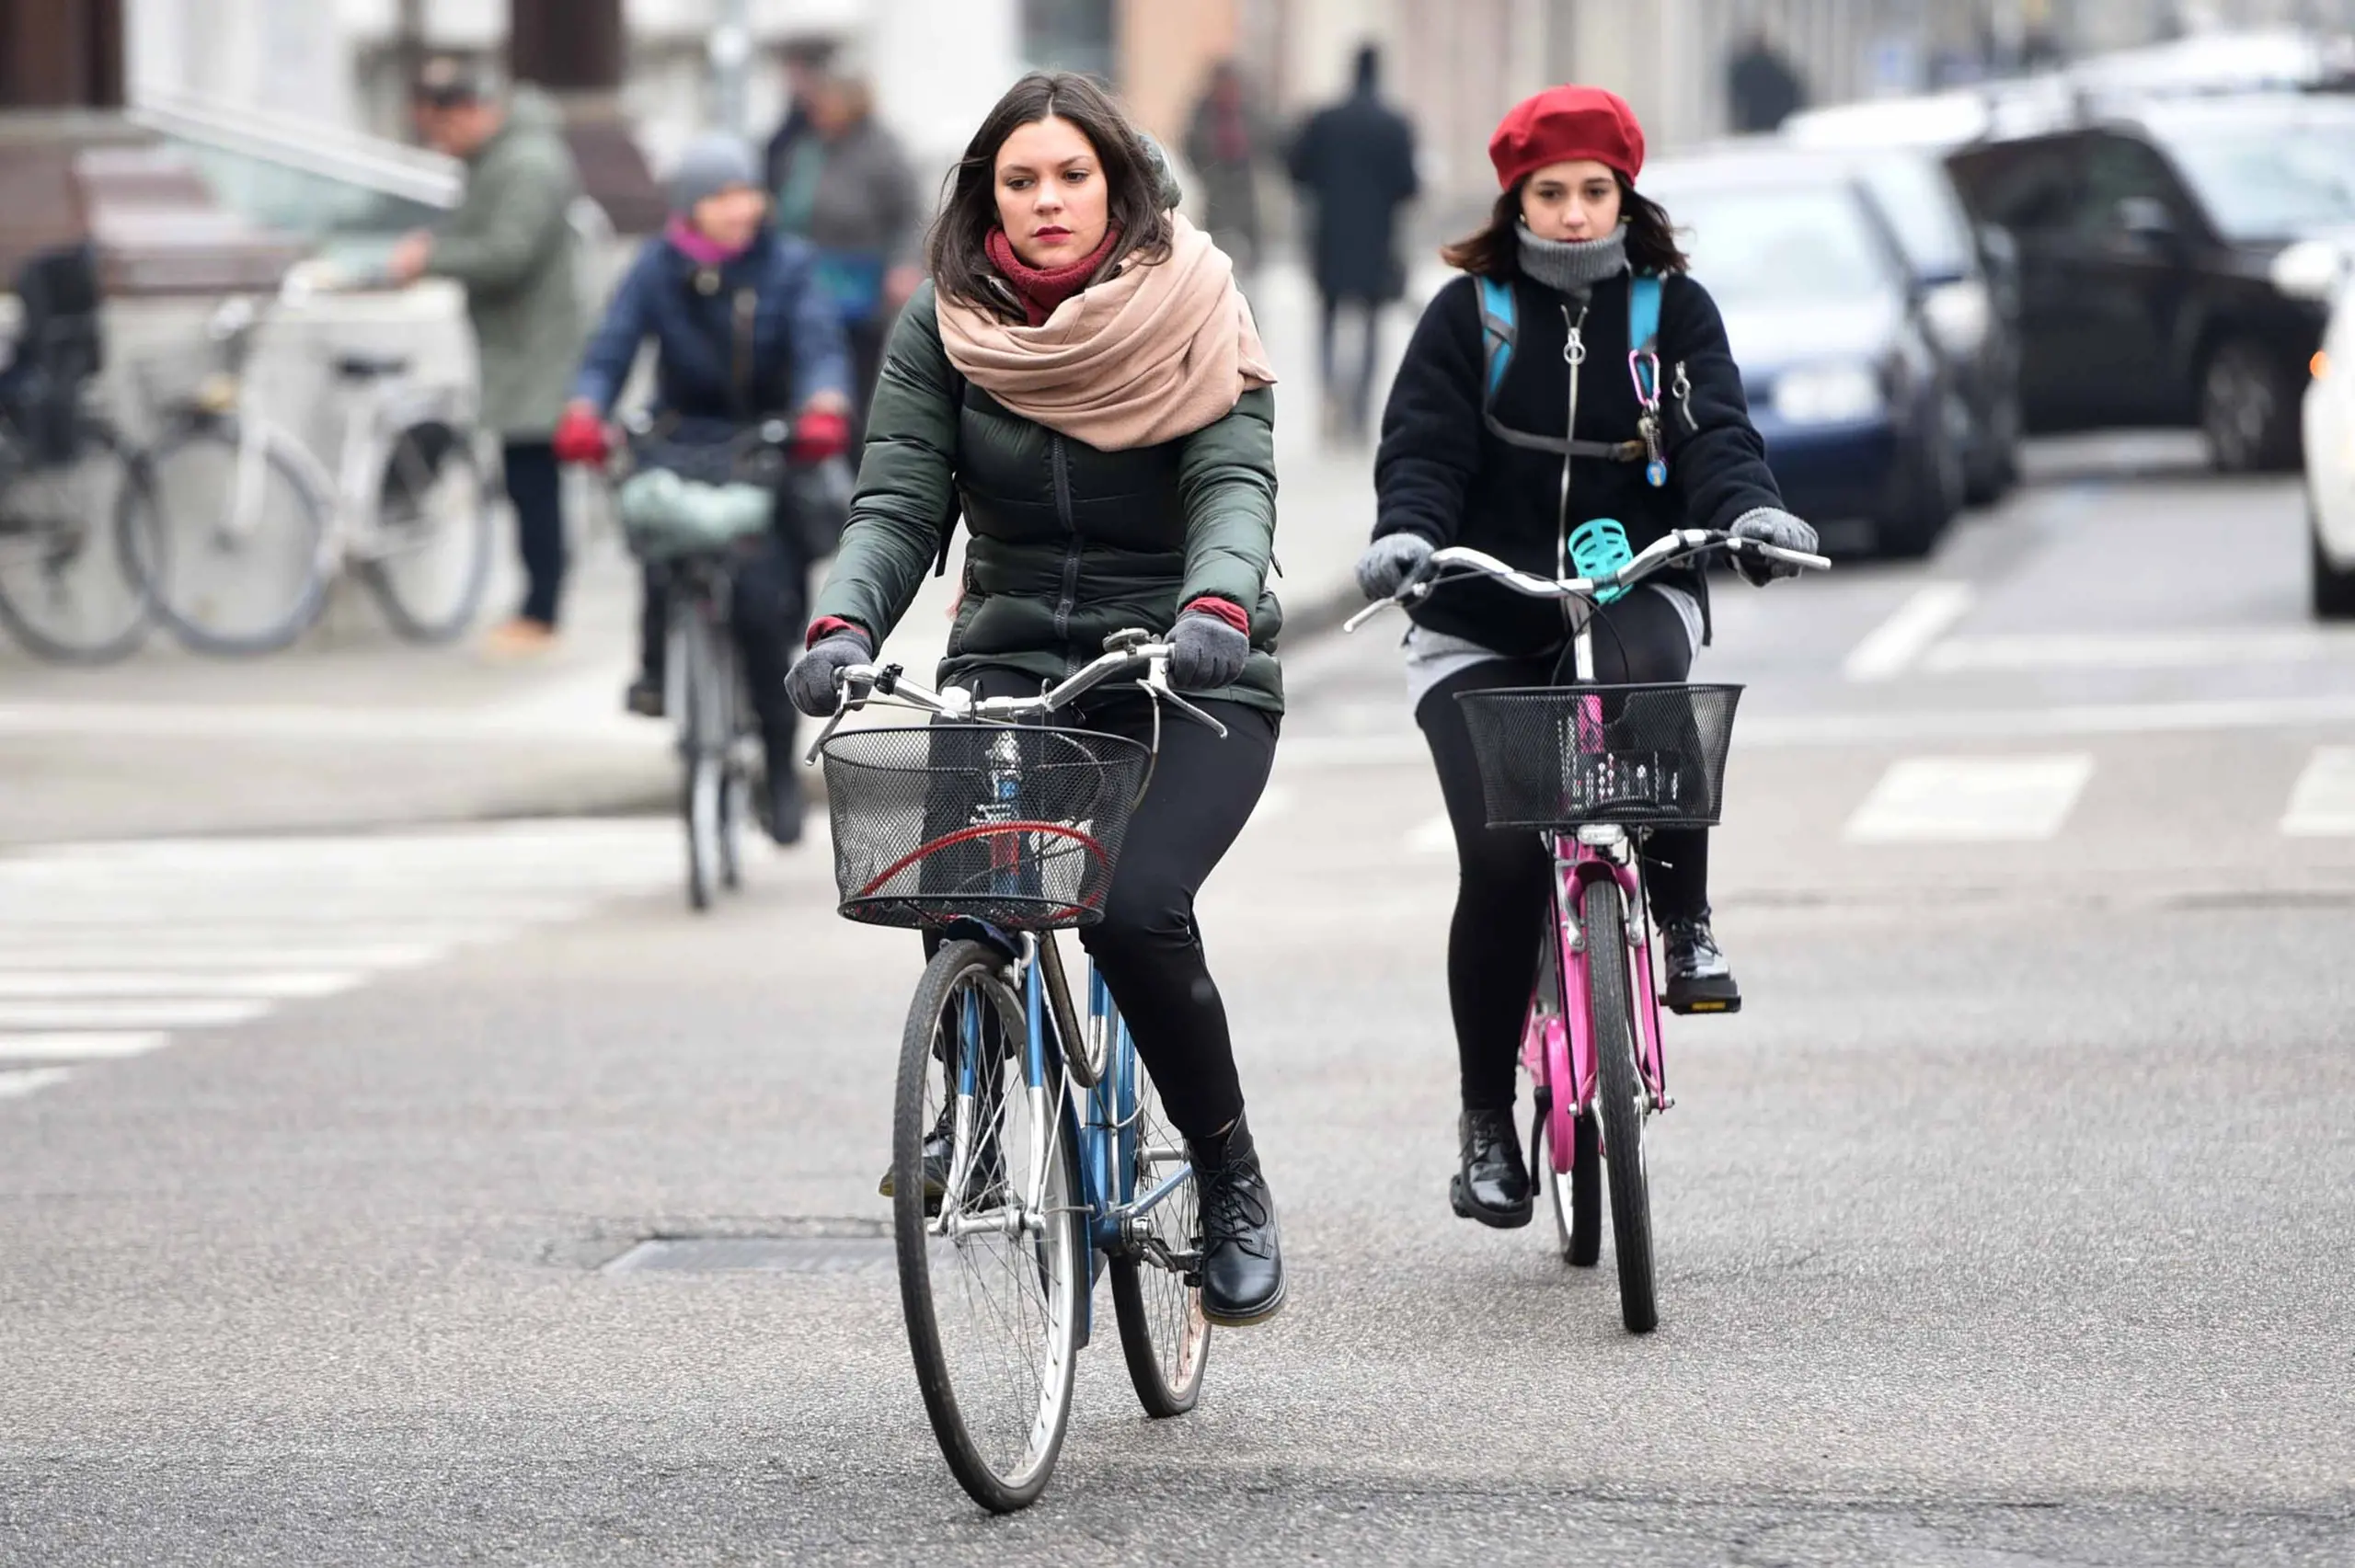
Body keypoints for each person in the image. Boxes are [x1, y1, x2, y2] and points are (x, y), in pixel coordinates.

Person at [785, 72, 1288, 1326]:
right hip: (1011, 655)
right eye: (1021, 180)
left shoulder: (1196, 304)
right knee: (961, 883)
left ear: (1117, 183)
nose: (1048, 200)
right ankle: (974, 1084)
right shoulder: (946, 323)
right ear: (986, 196)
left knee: (1133, 905)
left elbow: (1234, 486)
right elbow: (900, 497)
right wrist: (844, 621)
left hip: (1184, 667)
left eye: (1072, 175)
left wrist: (1217, 607)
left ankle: (1231, 1177)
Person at [1360, 86, 1818, 1229]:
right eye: (1549, 193)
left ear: (1625, 195)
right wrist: (1406, 536)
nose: (1571, 214)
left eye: (1593, 192)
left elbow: (1717, 437)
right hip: (1481, 612)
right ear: (1517, 198)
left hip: (1628, 581)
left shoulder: (1674, 312)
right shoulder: (1469, 318)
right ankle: (1481, 1126)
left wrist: (1751, 515)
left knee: (1659, 693)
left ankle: (1683, 917)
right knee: (1504, 860)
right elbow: (1419, 448)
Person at [555, 135, 855, 844]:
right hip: (684, 438)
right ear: (690, 206)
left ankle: (778, 770)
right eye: (721, 196)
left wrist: (824, 403)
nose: (739, 207)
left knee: (761, 606)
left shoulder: (788, 264)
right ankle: (659, 670)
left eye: (747, 191)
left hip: (768, 441)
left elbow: (819, 344)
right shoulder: (656, 267)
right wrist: (584, 409)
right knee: (662, 548)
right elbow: (612, 347)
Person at [392, 56, 587, 658]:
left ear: (471, 111)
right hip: (515, 347)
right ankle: (535, 606)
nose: (442, 145)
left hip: (536, 348)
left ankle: (541, 610)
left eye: (442, 129)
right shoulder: (502, 158)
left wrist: (434, 257)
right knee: (526, 477)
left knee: (534, 480)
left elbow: (508, 252)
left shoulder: (526, 161)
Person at [767, 67, 924, 438]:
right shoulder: (808, 147)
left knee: (855, 373)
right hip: (804, 274)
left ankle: (851, 455)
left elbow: (908, 214)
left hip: (857, 283)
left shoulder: (882, 150)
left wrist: (904, 265)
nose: (817, 110)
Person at [1286, 43, 1418, 445]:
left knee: (1327, 317)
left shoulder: (1325, 120)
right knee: (1372, 323)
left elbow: (1297, 169)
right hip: (1378, 239)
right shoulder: (1395, 124)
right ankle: (1359, 409)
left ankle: (1329, 395)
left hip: (1330, 235)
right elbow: (1408, 185)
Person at [1183, 60, 1271, 279]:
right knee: (1215, 233)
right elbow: (1191, 143)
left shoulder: (1246, 110)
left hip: (1243, 182)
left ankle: (1251, 271)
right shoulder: (1203, 111)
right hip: (1215, 182)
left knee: (1249, 231)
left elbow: (1263, 139)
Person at [1726, 29, 1808, 133]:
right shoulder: (1776, 67)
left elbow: (1738, 91)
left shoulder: (1747, 67)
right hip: (1774, 119)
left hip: (1754, 117)